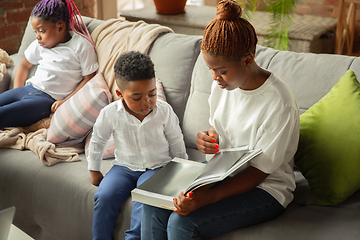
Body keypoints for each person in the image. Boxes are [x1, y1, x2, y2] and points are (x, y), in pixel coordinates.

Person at [141, 0, 300, 239]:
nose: (215, 78)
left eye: (222, 70)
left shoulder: (279, 103)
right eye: (211, 70)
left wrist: (208, 198)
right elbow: (218, 127)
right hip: (220, 173)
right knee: (155, 204)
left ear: (248, 60)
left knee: (182, 223)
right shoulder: (223, 85)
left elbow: (259, 172)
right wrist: (208, 138)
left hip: (265, 188)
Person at [87, 51, 188, 240]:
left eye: (152, 94)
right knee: (104, 196)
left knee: (144, 199)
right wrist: (94, 170)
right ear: (120, 94)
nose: (146, 102)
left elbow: (176, 140)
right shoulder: (110, 113)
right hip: (123, 167)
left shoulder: (164, 111)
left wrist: (182, 170)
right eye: (136, 97)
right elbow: (98, 141)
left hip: (157, 167)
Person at [0, 0, 98, 130]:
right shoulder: (40, 45)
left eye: (41, 31)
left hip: (45, 101)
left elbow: (89, 78)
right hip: (26, 89)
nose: (37, 37)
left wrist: (66, 101)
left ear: (60, 27)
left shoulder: (81, 46)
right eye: (35, 31)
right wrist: (17, 90)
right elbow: (24, 65)